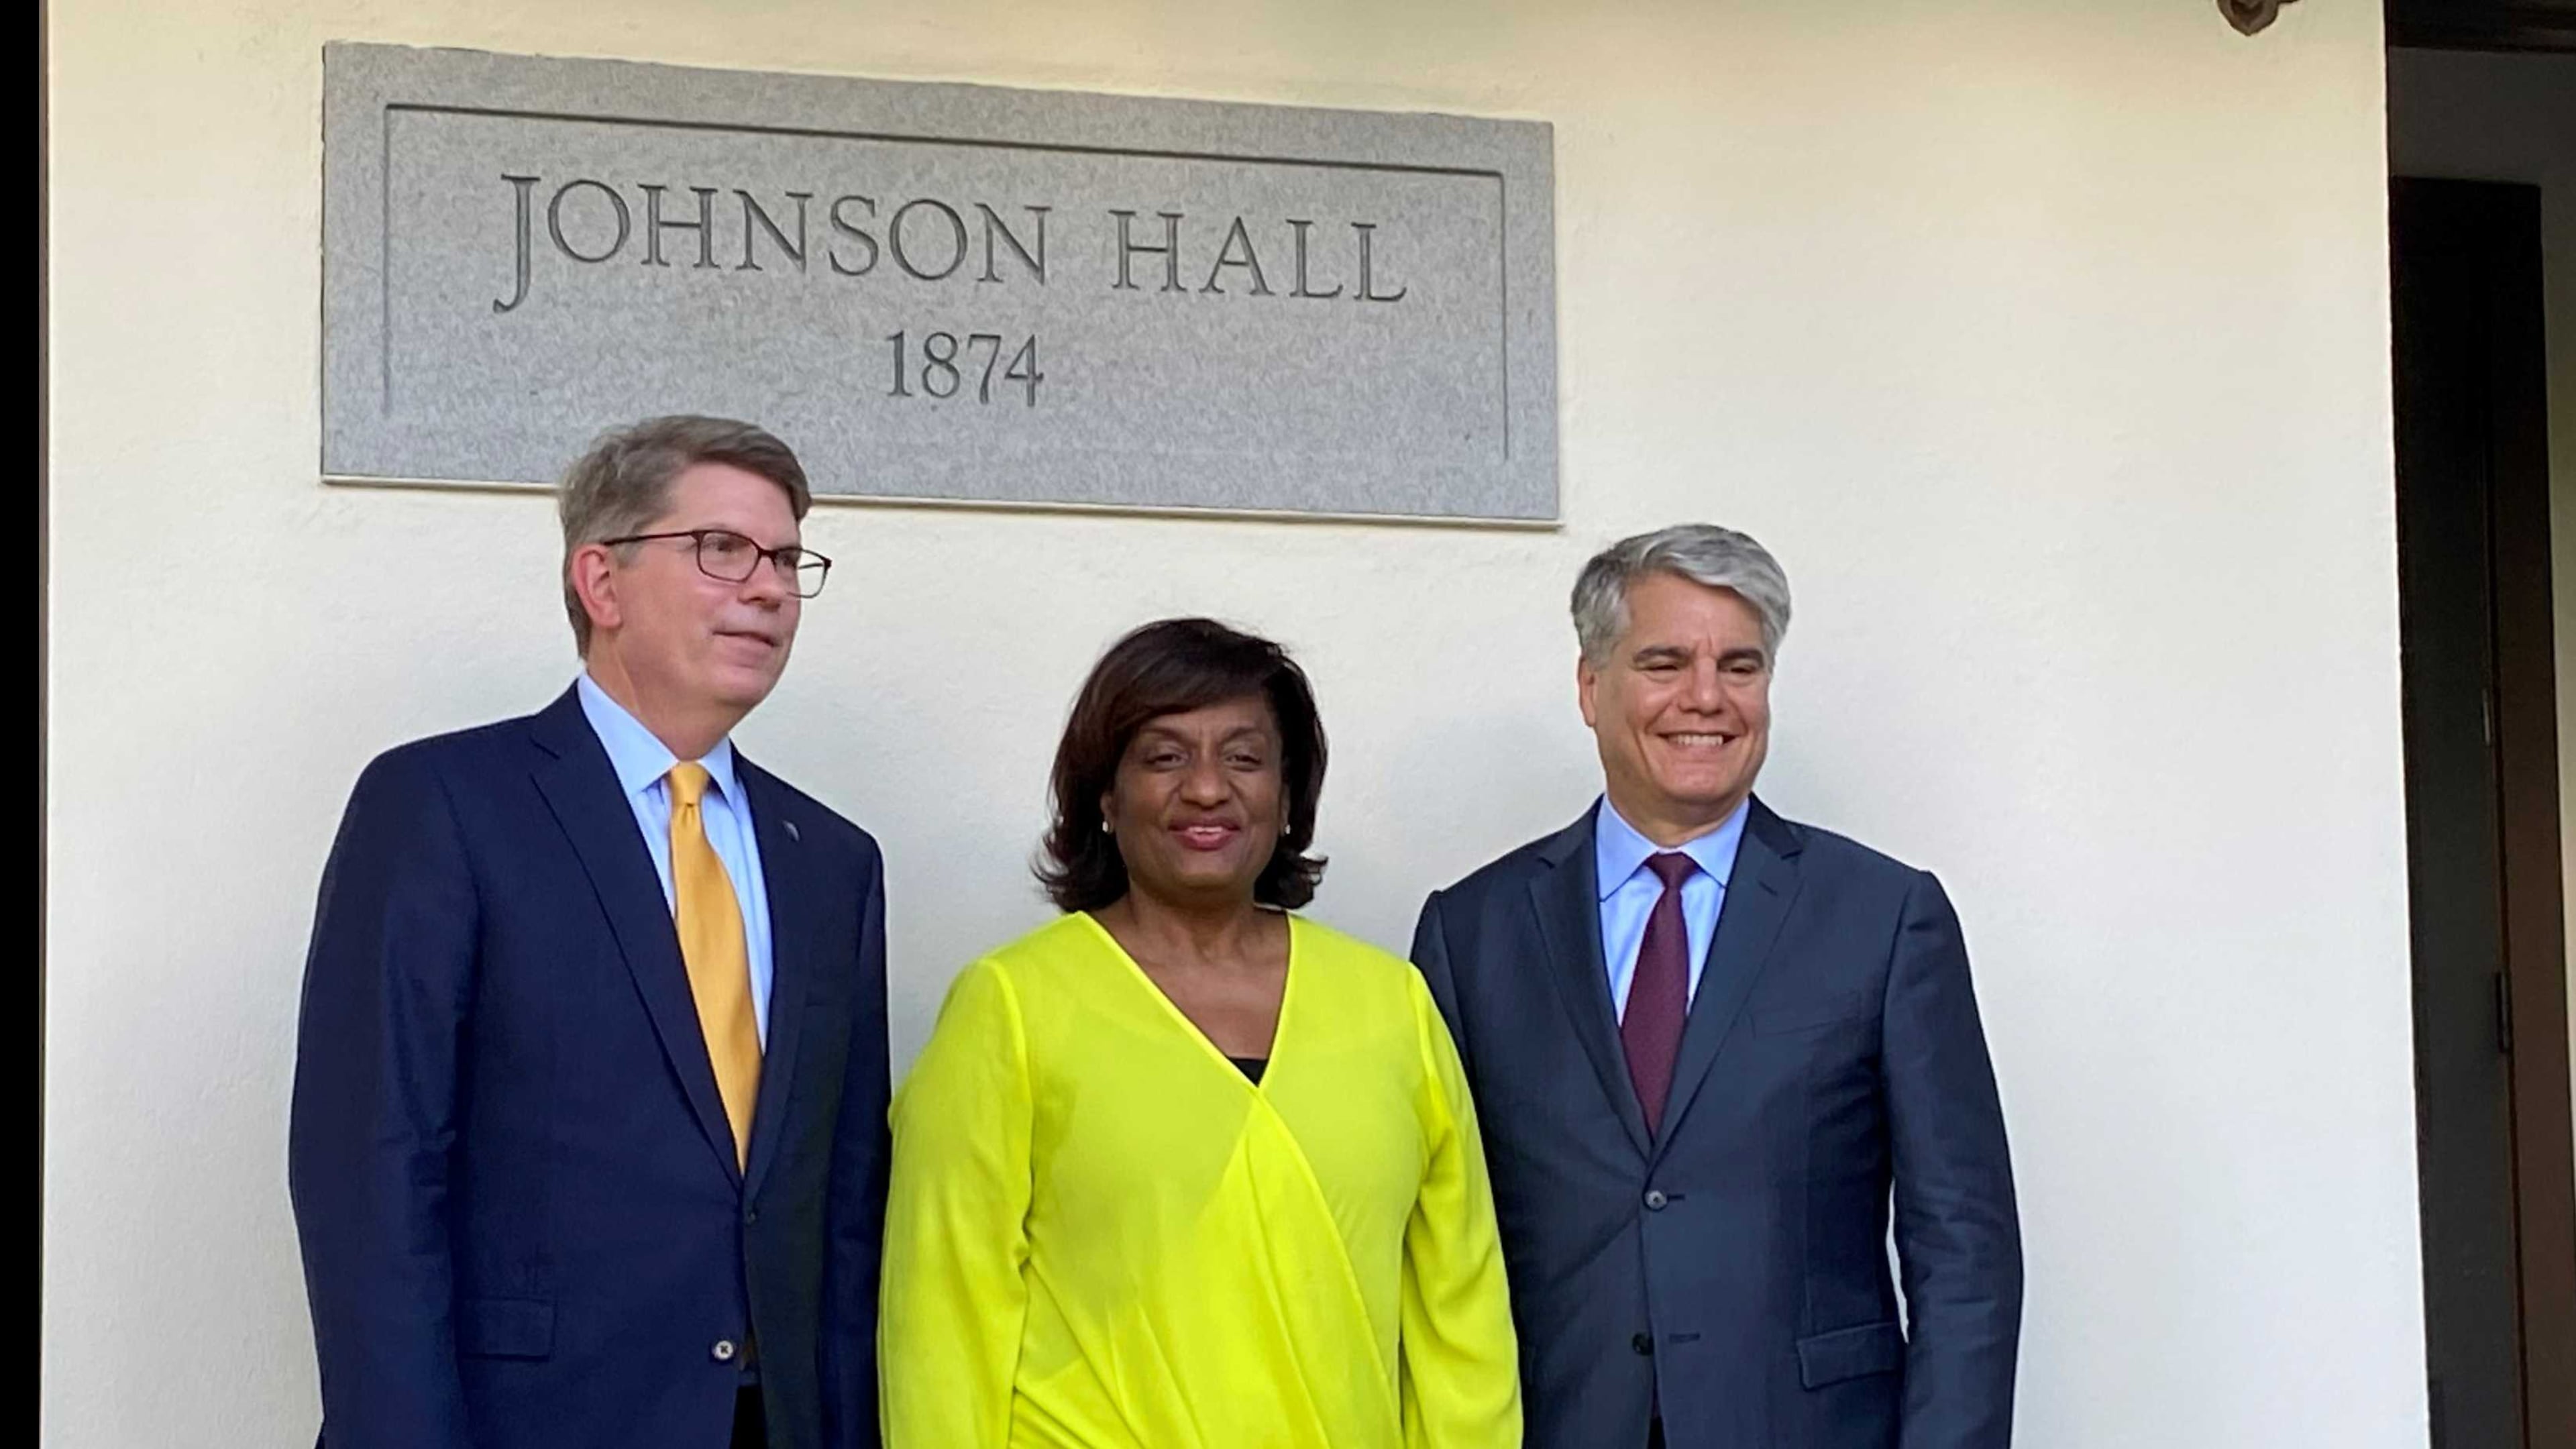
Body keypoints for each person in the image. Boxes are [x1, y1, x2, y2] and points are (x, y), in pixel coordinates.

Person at [288, 416, 891, 1449]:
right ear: (601, 583)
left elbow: (840, 1213)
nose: (769, 589)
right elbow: (372, 1175)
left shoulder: (830, 859)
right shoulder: (443, 805)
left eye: (789, 560)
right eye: (723, 551)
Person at [1411, 525, 2022, 1449]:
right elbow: (1430, 1240)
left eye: (1740, 666)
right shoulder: (1473, 932)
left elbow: (1965, 1252)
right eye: (1665, 662)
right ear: (1591, 686)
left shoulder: (1886, 918)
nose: (1707, 697)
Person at [880, 617, 1520, 1449]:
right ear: (1105, 795)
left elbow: (1459, 1320)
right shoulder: (1010, 1007)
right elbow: (942, 1319)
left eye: (1245, 757)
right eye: (1165, 756)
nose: (1209, 788)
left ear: (1289, 798)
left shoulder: (1392, 1005)